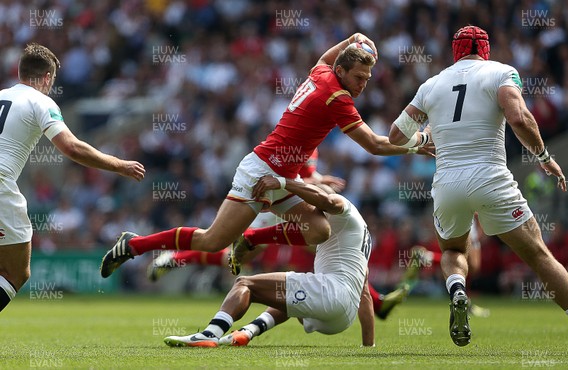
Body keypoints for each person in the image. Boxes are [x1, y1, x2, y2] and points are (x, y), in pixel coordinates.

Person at [100, 33, 432, 278]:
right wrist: (418, 141)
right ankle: (133, 245)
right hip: (261, 172)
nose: (364, 85)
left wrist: (353, 39)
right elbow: (374, 144)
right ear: (343, 72)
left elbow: (325, 58)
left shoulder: (322, 73)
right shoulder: (337, 97)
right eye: (359, 78)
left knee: (319, 230)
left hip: (283, 178)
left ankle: (252, 239)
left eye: (368, 78)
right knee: (212, 240)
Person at [388, 25, 568, 353]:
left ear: (454, 51)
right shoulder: (501, 72)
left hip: (447, 185)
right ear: (485, 49)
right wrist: (543, 157)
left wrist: (424, 141)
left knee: (453, 252)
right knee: (539, 256)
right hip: (491, 179)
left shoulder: (431, 84)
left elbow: (396, 136)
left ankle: (457, 289)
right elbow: (518, 116)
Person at [147, 149, 408, 320]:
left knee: (329, 247)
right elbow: (285, 174)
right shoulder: (299, 135)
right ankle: (177, 257)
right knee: (233, 250)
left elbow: (304, 173)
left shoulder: (312, 142)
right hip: (279, 202)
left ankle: (376, 301)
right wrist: (313, 184)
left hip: (292, 201)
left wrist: (319, 178)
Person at [0, 43, 145, 314]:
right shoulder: (40, 101)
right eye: (51, 81)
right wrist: (119, 165)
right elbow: (72, 147)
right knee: (14, 273)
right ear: (45, 78)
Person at [163, 174, 374, 347]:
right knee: (287, 295)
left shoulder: (341, 206)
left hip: (331, 294)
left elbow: (326, 201)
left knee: (244, 284)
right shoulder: (361, 234)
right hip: (343, 317)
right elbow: (365, 294)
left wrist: (283, 183)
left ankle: (209, 334)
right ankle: (248, 331)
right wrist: (369, 345)